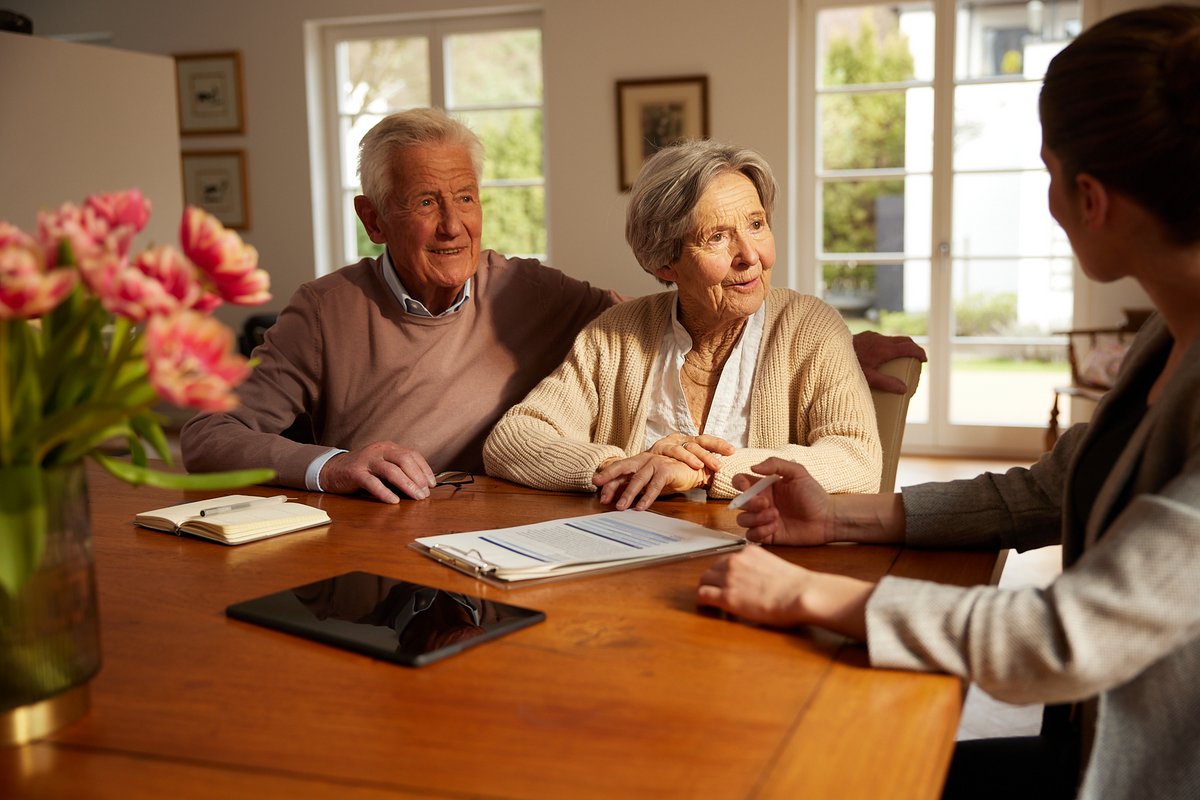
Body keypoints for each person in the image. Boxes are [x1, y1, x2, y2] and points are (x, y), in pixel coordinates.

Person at [696, 7, 1200, 799]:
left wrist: (809, 594)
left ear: (1091, 197)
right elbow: (1047, 491)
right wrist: (840, 518)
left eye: (1047, 172)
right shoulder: (1166, 339)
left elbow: (1061, 637)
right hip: (1093, 752)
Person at [182, 108, 922, 504]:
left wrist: (818, 342)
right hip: (380, 532)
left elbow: (669, 313)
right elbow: (210, 437)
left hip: (516, 528)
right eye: (425, 203)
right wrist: (331, 467)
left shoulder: (530, 291)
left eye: (466, 198)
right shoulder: (324, 311)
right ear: (374, 220)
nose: (454, 225)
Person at [484, 140, 882, 510]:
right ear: (664, 262)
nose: (749, 255)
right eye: (717, 237)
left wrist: (706, 470)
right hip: (628, 557)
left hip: (763, 562)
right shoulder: (614, 335)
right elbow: (513, 439)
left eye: (757, 225)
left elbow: (857, 459)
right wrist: (625, 466)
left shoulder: (810, 327)